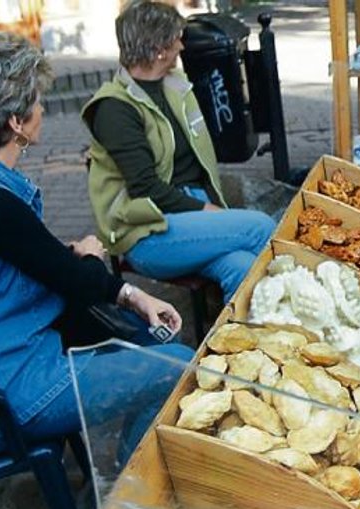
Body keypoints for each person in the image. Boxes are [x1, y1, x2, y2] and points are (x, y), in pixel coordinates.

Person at [0, 29, 194, 461]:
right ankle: (128, 488)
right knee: (179, 366)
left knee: (138, 333)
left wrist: (127, 293)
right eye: (37, 102)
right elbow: (78, 281)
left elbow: (32, 259)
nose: (42, 109)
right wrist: (91, 253)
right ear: (15, 123)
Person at [83, 0, 276, 302]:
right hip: (148, 231)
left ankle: (238, 345)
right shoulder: (114, 108)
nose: (182, 46)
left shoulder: (174, 86)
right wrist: (209, 211)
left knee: (245, 269)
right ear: (158, 47)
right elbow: (146, 188)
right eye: (176, 38)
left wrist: (209, 207)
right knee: (261, 227)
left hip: (191, 217)